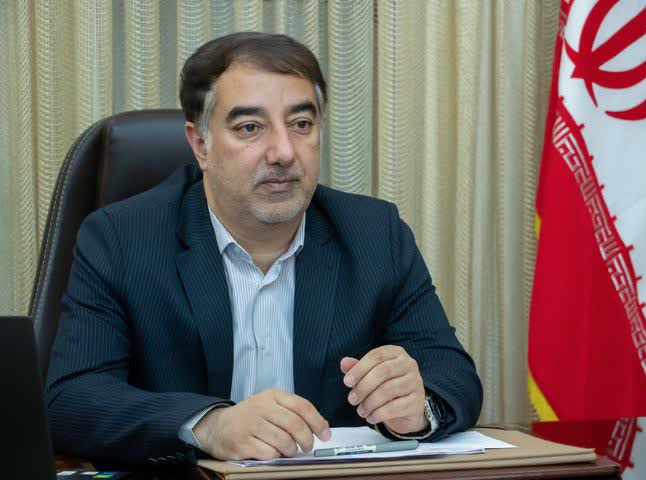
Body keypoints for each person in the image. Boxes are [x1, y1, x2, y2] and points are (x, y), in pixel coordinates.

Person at [45, 32, 482, 466]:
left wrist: (416, 407)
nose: (283, 152)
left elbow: (453, 375)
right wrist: (209, 425)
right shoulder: (121, 238)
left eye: (301, 124)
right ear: (200, 144)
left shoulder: (374, 234)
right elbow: (71, 399)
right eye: (250, 128)